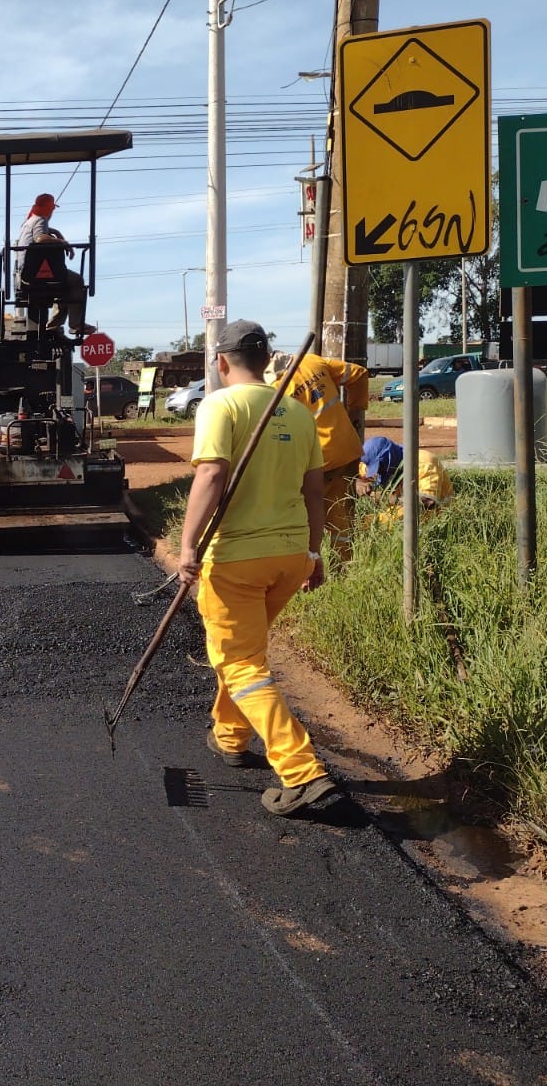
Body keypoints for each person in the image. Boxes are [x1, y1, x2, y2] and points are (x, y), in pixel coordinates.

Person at [180, 319, 341, 818]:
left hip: (236, 559)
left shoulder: (220, 404)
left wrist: (187, 547)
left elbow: (210, 473)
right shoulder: (296, 410)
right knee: (246, 650)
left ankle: (302, 772)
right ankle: (229, 735)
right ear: (268, 360)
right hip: (289, 557)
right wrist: (314, 555)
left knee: (241, 661)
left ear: (222, 362)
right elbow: (315, 493)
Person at [266, 349, 369, 564]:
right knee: (342, 519)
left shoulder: (276, 389)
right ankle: (344, 569)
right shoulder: (312, 361)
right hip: (346, 450)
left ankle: (308, 568)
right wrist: (355, 412)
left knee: (306, 519)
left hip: (315, 463)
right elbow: (359, 373)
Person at [14, 193, 94, 337]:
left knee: (61, 283)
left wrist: (56, 232)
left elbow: (42, 233)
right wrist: (62, 242)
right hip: (34, 272)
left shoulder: (29, 222)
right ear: (49, 209)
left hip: (25, 273)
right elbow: (39, 238)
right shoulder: (40, 220)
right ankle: (75, 323)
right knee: (75, 281)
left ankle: (53, 325)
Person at [355, 435, 454, 522]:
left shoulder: (423, 462)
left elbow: (428, 502)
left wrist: (386, 498)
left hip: (430, 516)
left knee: (372, 523)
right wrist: (358, 483)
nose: (377, 473)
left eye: (378, 468)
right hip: (400, 508)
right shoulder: (377, 464)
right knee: (362, 521)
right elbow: (354, 475)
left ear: (388, 458)